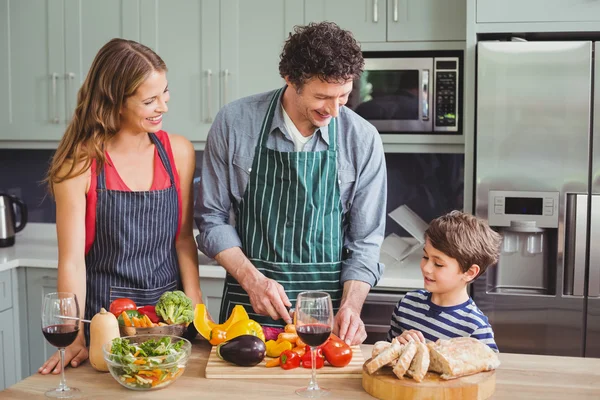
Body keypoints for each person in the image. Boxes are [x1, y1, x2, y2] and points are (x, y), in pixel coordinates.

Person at [195, 21, 387, 345]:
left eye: (344, 96)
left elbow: (365, 241)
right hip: (247, 311)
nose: (334, 110)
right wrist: (252, 280)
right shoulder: (234, 123)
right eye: (323, 97)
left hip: (326, 321)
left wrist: (352, 307)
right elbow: (211, 219)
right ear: (290, 79)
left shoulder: (362, 139)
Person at [40, 38, 204, 375]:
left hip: (169, 324)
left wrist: (196, 306)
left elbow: (184, 240)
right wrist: (72, 336)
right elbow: (71, 261)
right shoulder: (79, 165)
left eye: (165, 94)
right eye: (149, 100)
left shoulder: (179, 152)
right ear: (114, 102)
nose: (164, 107)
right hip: (105, 323)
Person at [388, 211, 501, 352]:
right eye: (425, 256)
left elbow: (488, 372)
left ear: (469, 272)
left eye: (438, 264)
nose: (426, 268)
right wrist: (396, 345)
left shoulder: (476, 328)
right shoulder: (406, 305)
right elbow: (388, 357)